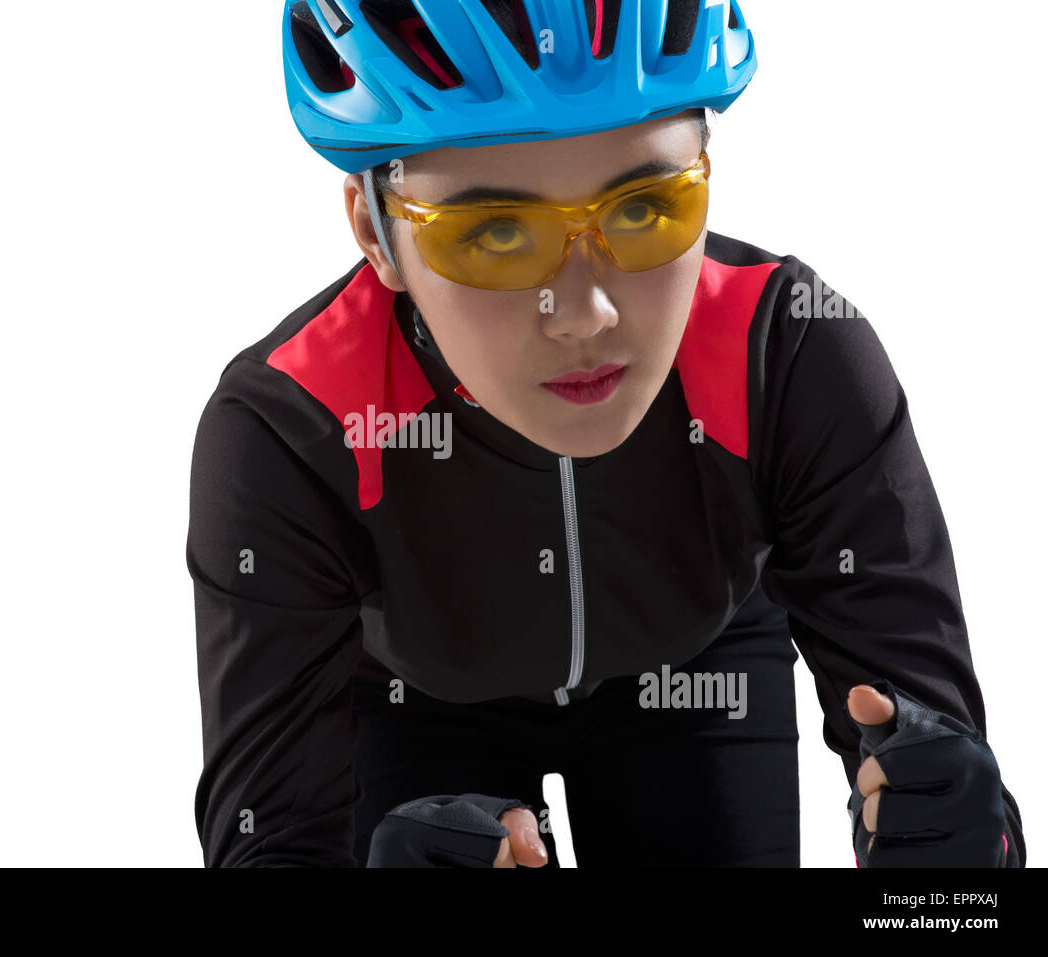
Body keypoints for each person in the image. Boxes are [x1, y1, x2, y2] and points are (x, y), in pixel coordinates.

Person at [187, 0, 1026, 867]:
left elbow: (956, 809)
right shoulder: (291, 428)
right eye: (495, 234)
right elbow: (268, 847)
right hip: (406, 699)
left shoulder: (790, 355)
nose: (583, 313)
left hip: (696, 659)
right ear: (377, 234)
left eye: (644, 209)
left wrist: (958, 868)